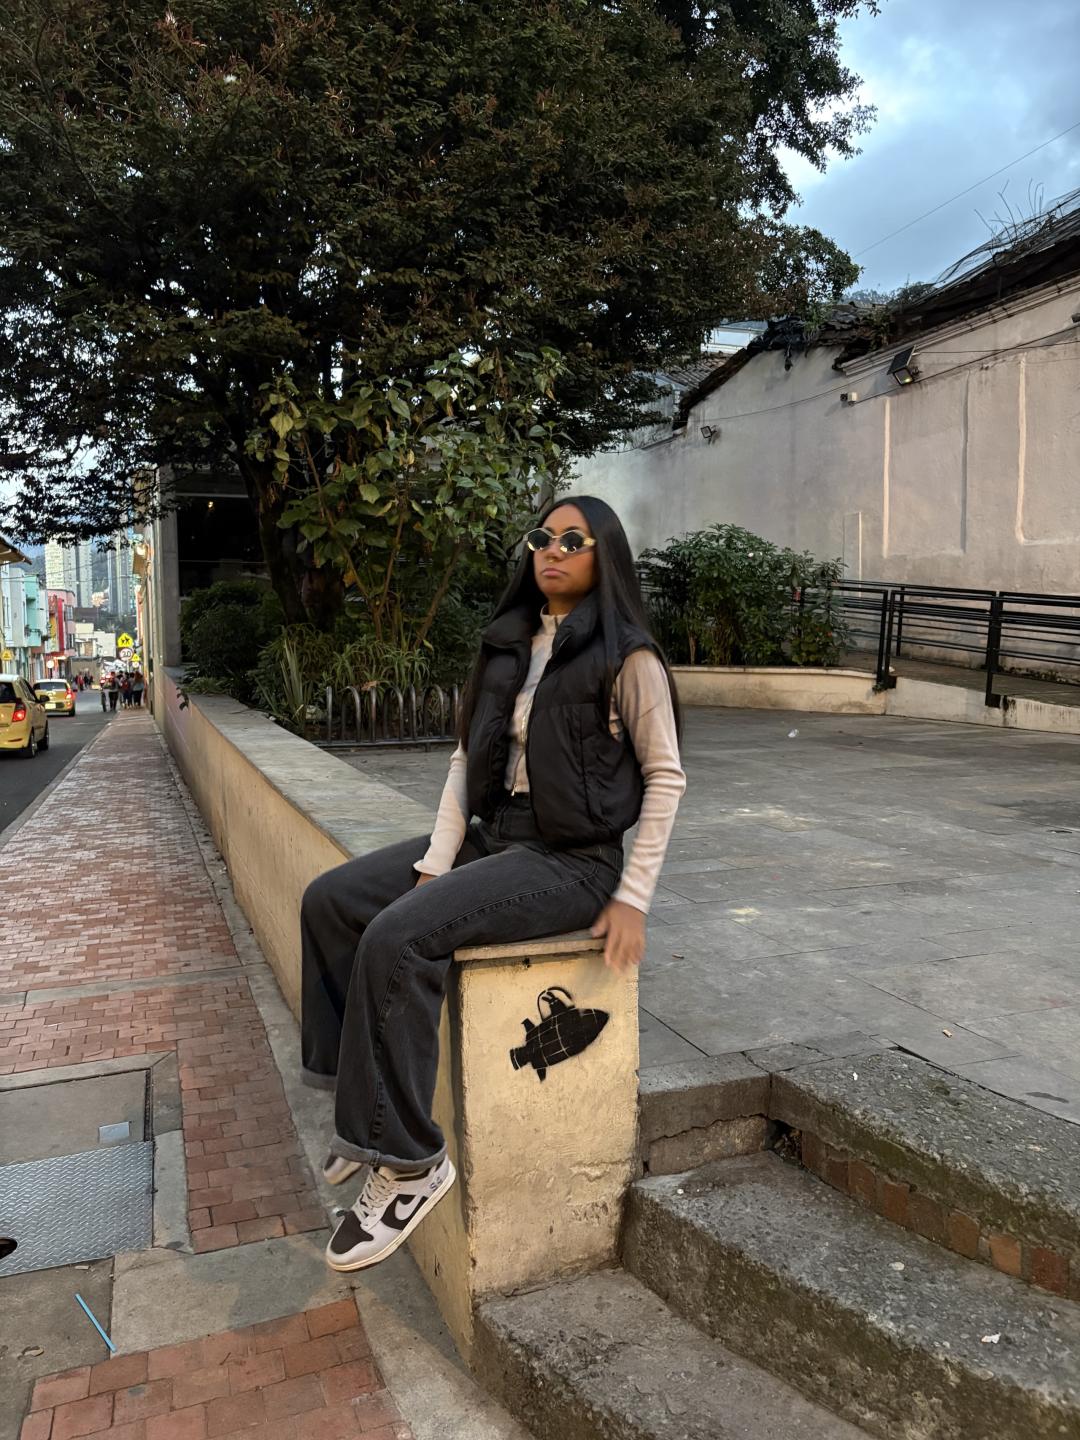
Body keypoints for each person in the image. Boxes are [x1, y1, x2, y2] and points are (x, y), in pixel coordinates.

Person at [301, 496, 686, 1274]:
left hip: (572, 860)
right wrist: (436, 860)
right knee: (331, 902)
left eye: (573, 540)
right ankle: (360, 1117)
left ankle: (410, 1164)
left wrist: (633, 898)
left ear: (605, 554)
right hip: (492, 834)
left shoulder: (628, 657)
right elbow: (463, 760)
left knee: (400, 937)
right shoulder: (509, 645)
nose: (553, 550)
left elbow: (666, 777)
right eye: (543, 537)